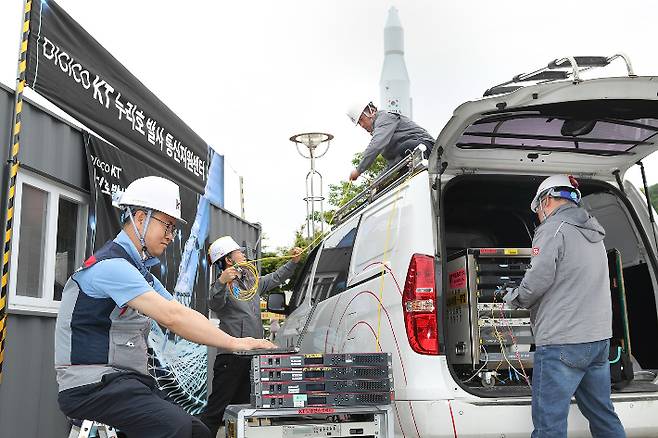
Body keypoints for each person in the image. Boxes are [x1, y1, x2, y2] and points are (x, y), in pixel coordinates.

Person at [54, 176, 275, 438]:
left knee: (198, 431)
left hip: (125, 383)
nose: (171, 236)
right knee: (177, 429)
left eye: (173, 229)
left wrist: (240, 341)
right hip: (92, 386)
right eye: (167, 225)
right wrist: (237, 344)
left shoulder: (140, 273)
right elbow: (172, 317)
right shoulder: (112, 266)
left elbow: (183, 313)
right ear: (139, 218)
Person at [503, 174, 625, 438]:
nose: (538, 216)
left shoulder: (552, 229)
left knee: (550, 426)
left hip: (562, 341)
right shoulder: (594, 232)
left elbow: (537, 280)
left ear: (546, 201)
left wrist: (515, 298)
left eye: (537, 210)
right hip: (598, 340)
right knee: (603, 415)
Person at [199, 237, 302, 436]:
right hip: (231, 357)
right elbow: (214, 303)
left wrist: (293, 263)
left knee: (244, 409)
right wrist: (222, 281)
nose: (244, 254)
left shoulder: (251, 282)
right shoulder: (222, 286)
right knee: (216, 409)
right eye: (239, 252)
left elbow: (275, 278)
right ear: (229, 260)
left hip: (253, 357)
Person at [345, 100, 434, 181]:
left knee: (406, 147)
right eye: (359, 124)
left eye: (361, 119)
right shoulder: (384, 137)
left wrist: (359, 170)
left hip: (427, 148)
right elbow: (393, 163)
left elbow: (375, 145)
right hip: (408, 155)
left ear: (371, 111)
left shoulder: (384, 118)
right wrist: (377, 182)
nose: (362, 125)